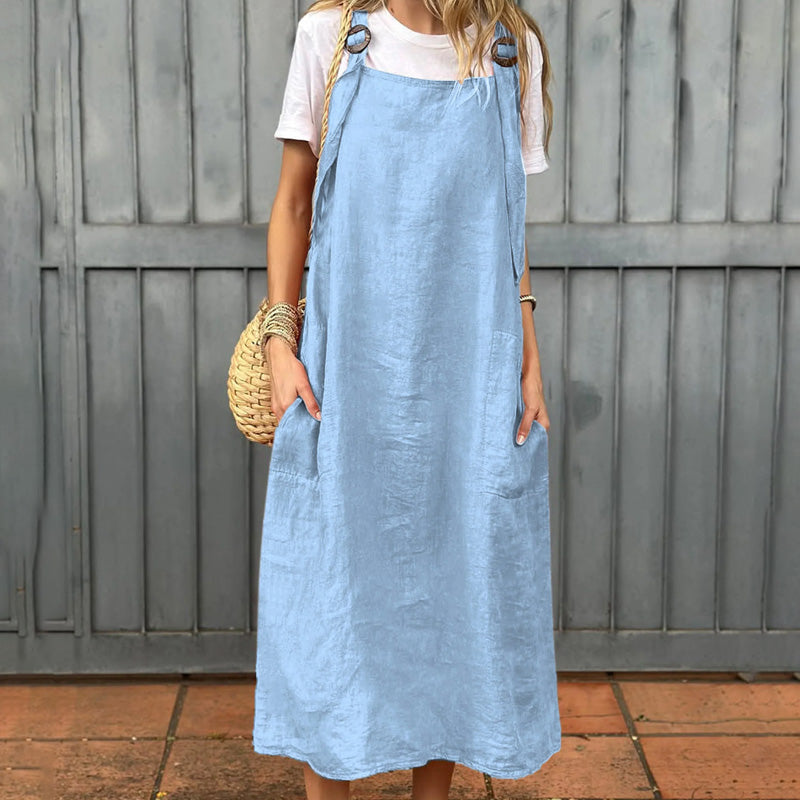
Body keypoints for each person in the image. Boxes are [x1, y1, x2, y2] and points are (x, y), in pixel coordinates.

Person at [252, 1, 560, 798]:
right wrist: (281, 340)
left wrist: (527, 353)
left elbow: (508, 227)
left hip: (468, 370)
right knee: (333, 581)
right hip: (348, 369)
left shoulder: (508, 52)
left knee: (456, 577)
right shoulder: (333, 39)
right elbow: (292, 202)